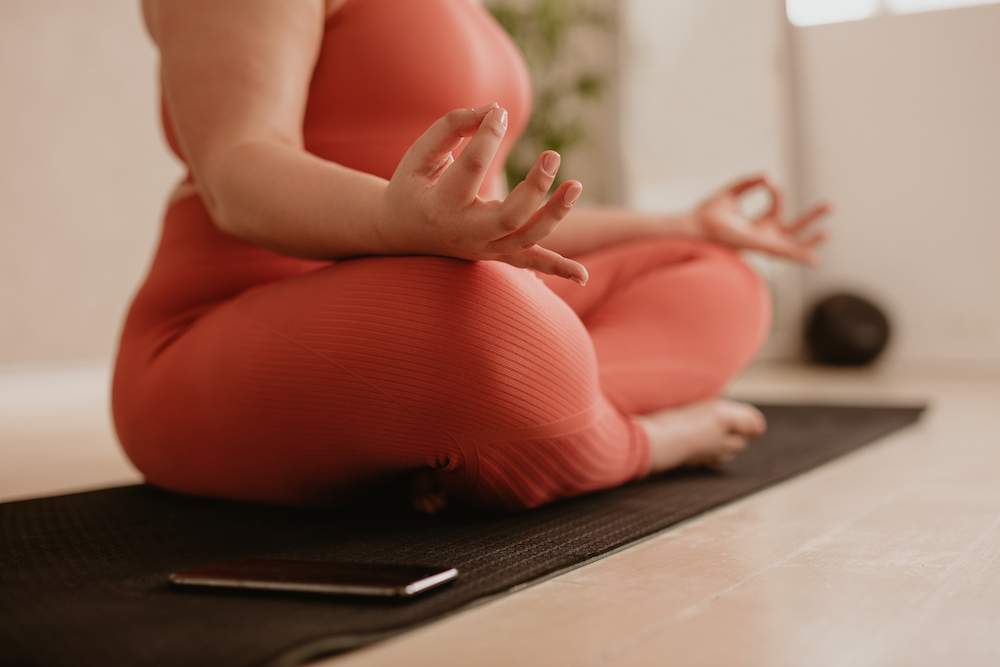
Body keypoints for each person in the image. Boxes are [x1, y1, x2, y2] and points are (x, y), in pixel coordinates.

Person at [112, 0, 831, 513]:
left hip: (433, 294)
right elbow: (238, 172)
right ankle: (630, 440)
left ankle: (498, 429)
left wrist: (683, 224)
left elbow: (483, 224)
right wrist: (393, 221)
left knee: (716, 279)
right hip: (222, 331)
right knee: (485, 316)